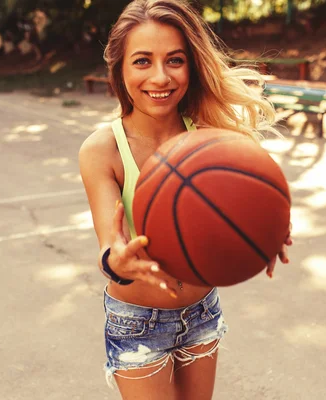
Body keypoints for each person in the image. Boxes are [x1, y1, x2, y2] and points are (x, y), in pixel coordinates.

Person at [78, 1, 292, 399]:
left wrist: (267, 228)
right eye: (142, 61)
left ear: (191, 65)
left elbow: (246, 205)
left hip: (201, 310)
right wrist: (119, 264)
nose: (160, 76)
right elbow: (110, 248)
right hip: (138, 320)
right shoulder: (103, 149)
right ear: (120, 69)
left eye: (174, 60)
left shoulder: (210, 137)